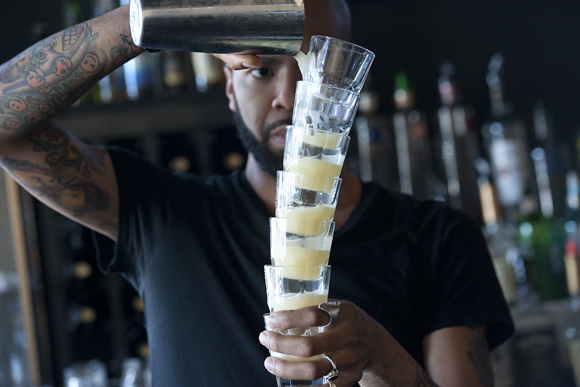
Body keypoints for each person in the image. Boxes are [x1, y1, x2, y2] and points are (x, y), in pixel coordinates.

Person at [0, 0, 513, 386]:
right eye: (263, 70)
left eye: (315, 68)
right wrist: (153, 21)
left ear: (350, 88)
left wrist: (380, 355)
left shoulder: (439, 239)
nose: (290, 97)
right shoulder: (164, 216)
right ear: (229, 87)